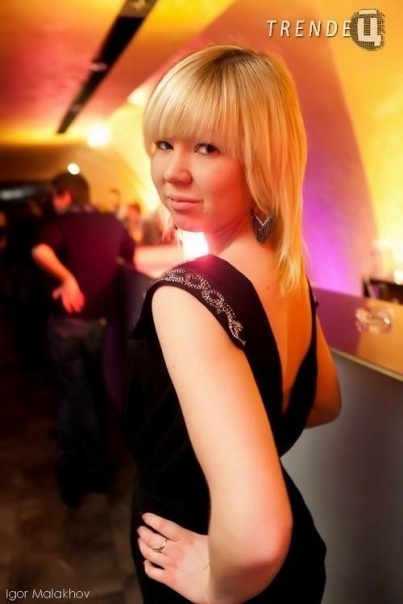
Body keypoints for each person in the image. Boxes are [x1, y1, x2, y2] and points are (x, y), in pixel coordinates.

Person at [124, 44, 341, 603]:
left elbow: (256, 542)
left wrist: (215, 585)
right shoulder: (288, 271)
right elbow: (322, 402)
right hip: (298, 564)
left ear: (261, 159)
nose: (173, 171)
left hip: (214, 564)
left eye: (207, 147)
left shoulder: (188, 296)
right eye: (164, 144)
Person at [32, 171, 135, 508]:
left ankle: (83, 470)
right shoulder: (111, 221)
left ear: (65, 195)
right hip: (99, 322)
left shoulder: (61, 222)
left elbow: (40, 251)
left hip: (68, 323)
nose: (53, 202)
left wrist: (68, 278)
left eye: (55, 195)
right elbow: (129, 253)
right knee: (89, 390)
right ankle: (93, 469)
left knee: (75, 396)